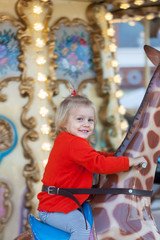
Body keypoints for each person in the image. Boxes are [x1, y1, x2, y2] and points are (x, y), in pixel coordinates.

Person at [37, 94, 147, 240]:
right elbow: (99, 164)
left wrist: (117, 156)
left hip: (60, 204)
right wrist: (128, 162)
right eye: (79, 119)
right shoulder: (73, 143)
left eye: (90, 120)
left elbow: (96, 156)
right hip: (55, 208)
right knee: (82, 229)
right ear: (64, 122)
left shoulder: (69, 141)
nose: (86, 124)